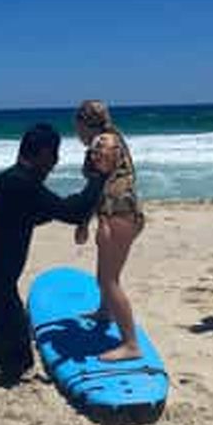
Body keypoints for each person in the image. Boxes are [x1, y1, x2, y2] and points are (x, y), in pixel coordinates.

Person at [0, 123, 111, 398]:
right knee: (19, 362)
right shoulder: (22, 185)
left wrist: (82, 198)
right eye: (53, 155)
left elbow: (46, 212)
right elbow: (70, 211)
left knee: (6, 342)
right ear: (41, 154)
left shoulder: (9, 181)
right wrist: (98, 178)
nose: (55, 162)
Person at [73, 100, 145, 362]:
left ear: (84, 124)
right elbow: (106, 184)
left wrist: (97, 222)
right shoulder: (113, 138)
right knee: (105, 273)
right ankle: (105, 311)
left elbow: (103, 186)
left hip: (119, 216)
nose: (76, 133)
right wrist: (88, 221)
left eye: (77, 127)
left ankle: (131, 344)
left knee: (108, 280)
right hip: (126, 213)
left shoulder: (103, 144)